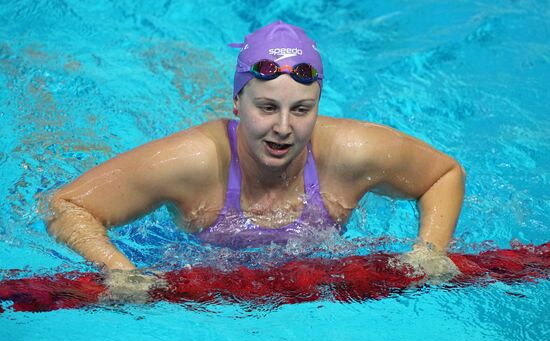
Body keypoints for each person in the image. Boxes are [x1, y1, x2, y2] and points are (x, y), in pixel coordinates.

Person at [47, 21, 465, 279]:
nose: (283, 128)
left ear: (318, 106)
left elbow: (444, 175)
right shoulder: (194, 163)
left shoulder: (352, 153)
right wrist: (121, 271)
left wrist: (428, 251)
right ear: (236, 104)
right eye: (266, 107)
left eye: (301, 110)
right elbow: (63, 205)